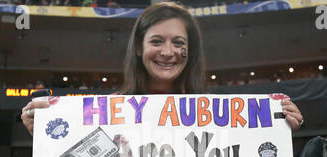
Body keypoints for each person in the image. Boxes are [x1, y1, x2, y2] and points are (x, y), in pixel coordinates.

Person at [21, 2, 303, 134]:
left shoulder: (221, 116)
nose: (168, 52)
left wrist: (278, 125)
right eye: (157, 41)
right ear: (139, 48)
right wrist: (47, 134)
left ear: (189, 52)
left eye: (178, 42)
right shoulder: (108, 112)